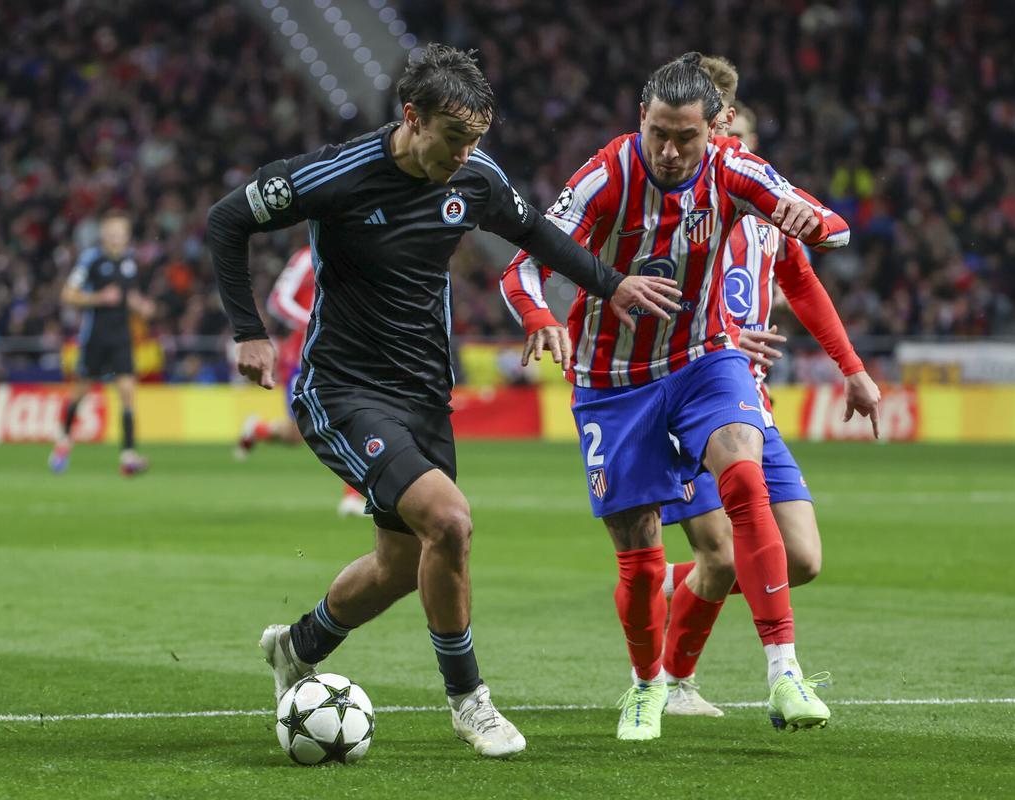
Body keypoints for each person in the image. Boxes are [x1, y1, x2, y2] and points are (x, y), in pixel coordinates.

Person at [206, 43, 680, 758]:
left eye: (476, 141)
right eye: (454, 138)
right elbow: (226, 219)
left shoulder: (477, 178)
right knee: (451, 524)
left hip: (425, 393)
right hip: (343, 389)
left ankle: (296, 648)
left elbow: (537, 234)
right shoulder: (339, 174)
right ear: (411, 119)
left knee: (400, 565)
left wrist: (611, 285)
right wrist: (250, 331)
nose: (465, 155)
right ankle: (471, 701)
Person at [501, 53, 855, 741]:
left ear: (715, 128)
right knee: (638, 555)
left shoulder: (735, 168)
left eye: (685, 137)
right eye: (658, 132)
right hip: (612, 382)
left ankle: (784, 671)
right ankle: (647, 685)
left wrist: (807, 221)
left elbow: (832, 227)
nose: (668, 151)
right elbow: (523, 266)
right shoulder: (606, 175)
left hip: (702, 359)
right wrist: (543, 318)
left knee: (744, 476)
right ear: (642, 118)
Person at [653, 57, 882, 719]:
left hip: (752, 400)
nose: (741, 153)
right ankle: (677, 682)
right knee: (722, 554)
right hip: (685, 389)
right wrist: (717, 333)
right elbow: (652, 283)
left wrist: (853, 368)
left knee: (802, 558)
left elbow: (804, 285)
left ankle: (656, 584)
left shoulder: (761, 206)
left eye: (748, 142)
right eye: (732, 139)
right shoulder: (680, 199)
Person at [232, 245, 368, 517]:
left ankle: (354, 496)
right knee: (299, 434)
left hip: (345, 351)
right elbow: (278, 300)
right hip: (304, 355)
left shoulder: (360, 250)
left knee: (354, 414)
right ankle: (258, 429)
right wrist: (314, 321)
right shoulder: (307, 257)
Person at [49, 210, 152, 476]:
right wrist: (98, 298)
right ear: (104, 235)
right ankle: (63, 442)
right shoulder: (90, 261)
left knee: (128, 392)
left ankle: (128, 456)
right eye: (113, 234)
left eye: (122, 234)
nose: (117, 239)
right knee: (80, 392)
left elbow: (128, 297)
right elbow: (68, 295)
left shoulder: (130, 262)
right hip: (95, 338)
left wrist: (140, 306)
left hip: (122, 338)